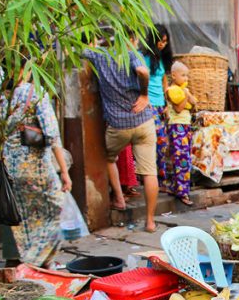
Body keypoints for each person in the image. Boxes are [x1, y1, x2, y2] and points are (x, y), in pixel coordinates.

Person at [0, 75, 71, 266]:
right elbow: (52, 135)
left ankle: (32, 261)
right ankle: (35, 260)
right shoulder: (34, 93)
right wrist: (64, 172)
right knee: (56, 209)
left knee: (23, 220)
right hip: (37, 167)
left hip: (10, 169)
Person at [82, 36, 158, 231]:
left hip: (118, 125)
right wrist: (144, 94)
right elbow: (142, 71)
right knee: (149, 172)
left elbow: (79, 50)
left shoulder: (101, 56)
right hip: (143, 120)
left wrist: (94, 42)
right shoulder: (133, 54)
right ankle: (150, 221)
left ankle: (119, 199)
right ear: (131, 38)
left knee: (108, 158)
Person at [142, 26, 173, 194]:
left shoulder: (161, 59)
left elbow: (164, 81)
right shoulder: (145, 58)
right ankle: (154, 179)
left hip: (161, 103)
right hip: (149, 104)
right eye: (161, 41)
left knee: (162, 142)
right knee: (158, 140)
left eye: (165, 41)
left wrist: (167, 102)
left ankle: (160, 179)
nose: (163, 44)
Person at [164, 61, 197, 206]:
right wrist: (186, 96)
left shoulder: (183, 90)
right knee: (181, 159)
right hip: (177, 126)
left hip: (185, 125)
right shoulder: (172, 90)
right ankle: (182, 192)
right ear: (173, 75)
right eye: (183, 75)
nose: (185, 79)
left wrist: (189, 97)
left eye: (186, 76)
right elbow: (179, 108)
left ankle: (178, 188)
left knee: (183, 157)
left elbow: (194, 104)